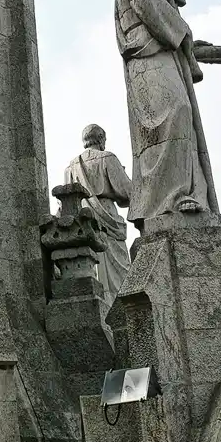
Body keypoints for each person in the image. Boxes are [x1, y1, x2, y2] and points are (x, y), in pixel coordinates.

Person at [115, 0, 216, 226]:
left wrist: (186, 40)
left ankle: (186, 193)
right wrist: (181, 30)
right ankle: (167, 198)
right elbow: (146, 3)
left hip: (163, 50)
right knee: (174, 112)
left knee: (183, 116)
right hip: (146, 52)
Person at [65, 124, 132, 306]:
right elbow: (128, 192)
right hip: (107, 212)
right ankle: (121, 310)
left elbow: (66, 202)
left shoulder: (71, 167)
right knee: (120, 273)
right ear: (101, 139)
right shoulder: (108, 158)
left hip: (83, 217)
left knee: (92, 268)